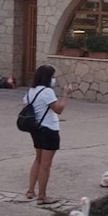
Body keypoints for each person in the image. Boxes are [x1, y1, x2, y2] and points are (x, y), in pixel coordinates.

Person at [23, 64, 72, 205]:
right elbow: (58, 109)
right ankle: (42, 196)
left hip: (36, 129)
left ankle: (31, 190)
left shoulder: (30, 91)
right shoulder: (47, 92)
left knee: (37, 159)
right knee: (46, 164)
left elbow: (27, 108)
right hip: (49, 129)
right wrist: (65, 95)